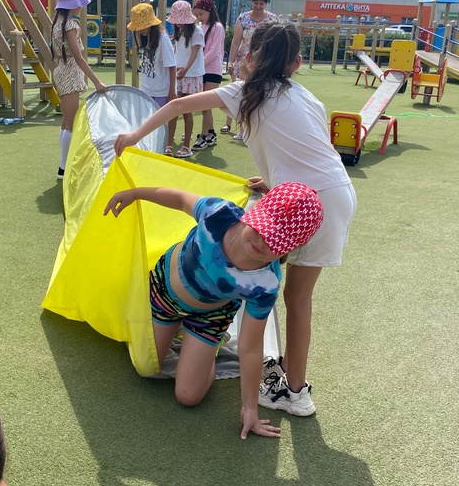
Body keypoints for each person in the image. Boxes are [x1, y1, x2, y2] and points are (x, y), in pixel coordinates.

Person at [114, 22, 357, 417]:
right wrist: (277, 183)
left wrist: (132, 136)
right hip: (336, 192)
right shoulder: (307, 97)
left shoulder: (245, 91)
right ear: (296, 64)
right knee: (285, 288)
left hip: (305, 198)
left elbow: (175, 106)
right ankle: (278, 374)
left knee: (277, 285)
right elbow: (309, 151)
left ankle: (292, 389)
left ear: (250, 58)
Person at [103, 182, 323, 440]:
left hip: (209, 317)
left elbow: (251, 347)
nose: (261, 242)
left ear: (291, 248)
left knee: (188, 396)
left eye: (275, 241)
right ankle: (179, 330)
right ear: (256, 211)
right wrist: (135, 193)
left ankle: (211, 344)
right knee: (146, 367)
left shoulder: (266, 284)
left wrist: (249, 409)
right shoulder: (217, 213)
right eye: (262, 228)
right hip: (165, 293)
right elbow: (179, 197)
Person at [50, 0, 107, 180]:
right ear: (73, 4)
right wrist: (97, 81)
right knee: (71, 122)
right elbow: (78, 57)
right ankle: (64, 167)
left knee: (66, 121)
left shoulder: (57, 22)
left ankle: (64, 164)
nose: (81, 6)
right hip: (69, 73)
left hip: (61, 70)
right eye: (79, 3)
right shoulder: (70, 25)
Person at [224, 0, 276, 139]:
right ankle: (243, 130)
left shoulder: (272, 19)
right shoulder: (243, 18)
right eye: (256, 3)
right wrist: (230, 61)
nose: (258, 6)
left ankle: (262, 130)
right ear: (251, 3)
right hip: (244, 62)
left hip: (264, 61)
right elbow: (235, 41)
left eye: (261, 3)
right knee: (243, 94)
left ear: (265, 4)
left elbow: (276, 42)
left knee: (262, 95)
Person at [166, 0, 204, 158]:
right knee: (173, 109)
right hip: (179, 74)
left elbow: (195, 53)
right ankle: (169, 143)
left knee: (186, 112)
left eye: (181, 21)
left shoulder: (197, 31)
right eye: (176, 21)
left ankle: (186, 146)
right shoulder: (180, 33)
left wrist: (185, 69)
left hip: (192, 76)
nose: (178, 24)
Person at [191, 0, 226, 151]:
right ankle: (210, 133)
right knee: (205, 105)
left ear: (209, 11)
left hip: (213, 70)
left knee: (205, 105)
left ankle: (203, 136)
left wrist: (199, 65)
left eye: (201, 14)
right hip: (202, 69)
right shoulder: (201, 27)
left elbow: (213, 51)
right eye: (197, 14)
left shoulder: (217, 27)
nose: (199, 17)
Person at [127, 3, 176, 108]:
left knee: (160, 118)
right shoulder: (146, 38)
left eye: (143, 26)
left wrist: (172, 91)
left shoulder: (163, 39)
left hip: (161, 92)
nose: (141, 30)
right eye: (138, 27)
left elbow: (172, 66)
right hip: (146, 90)